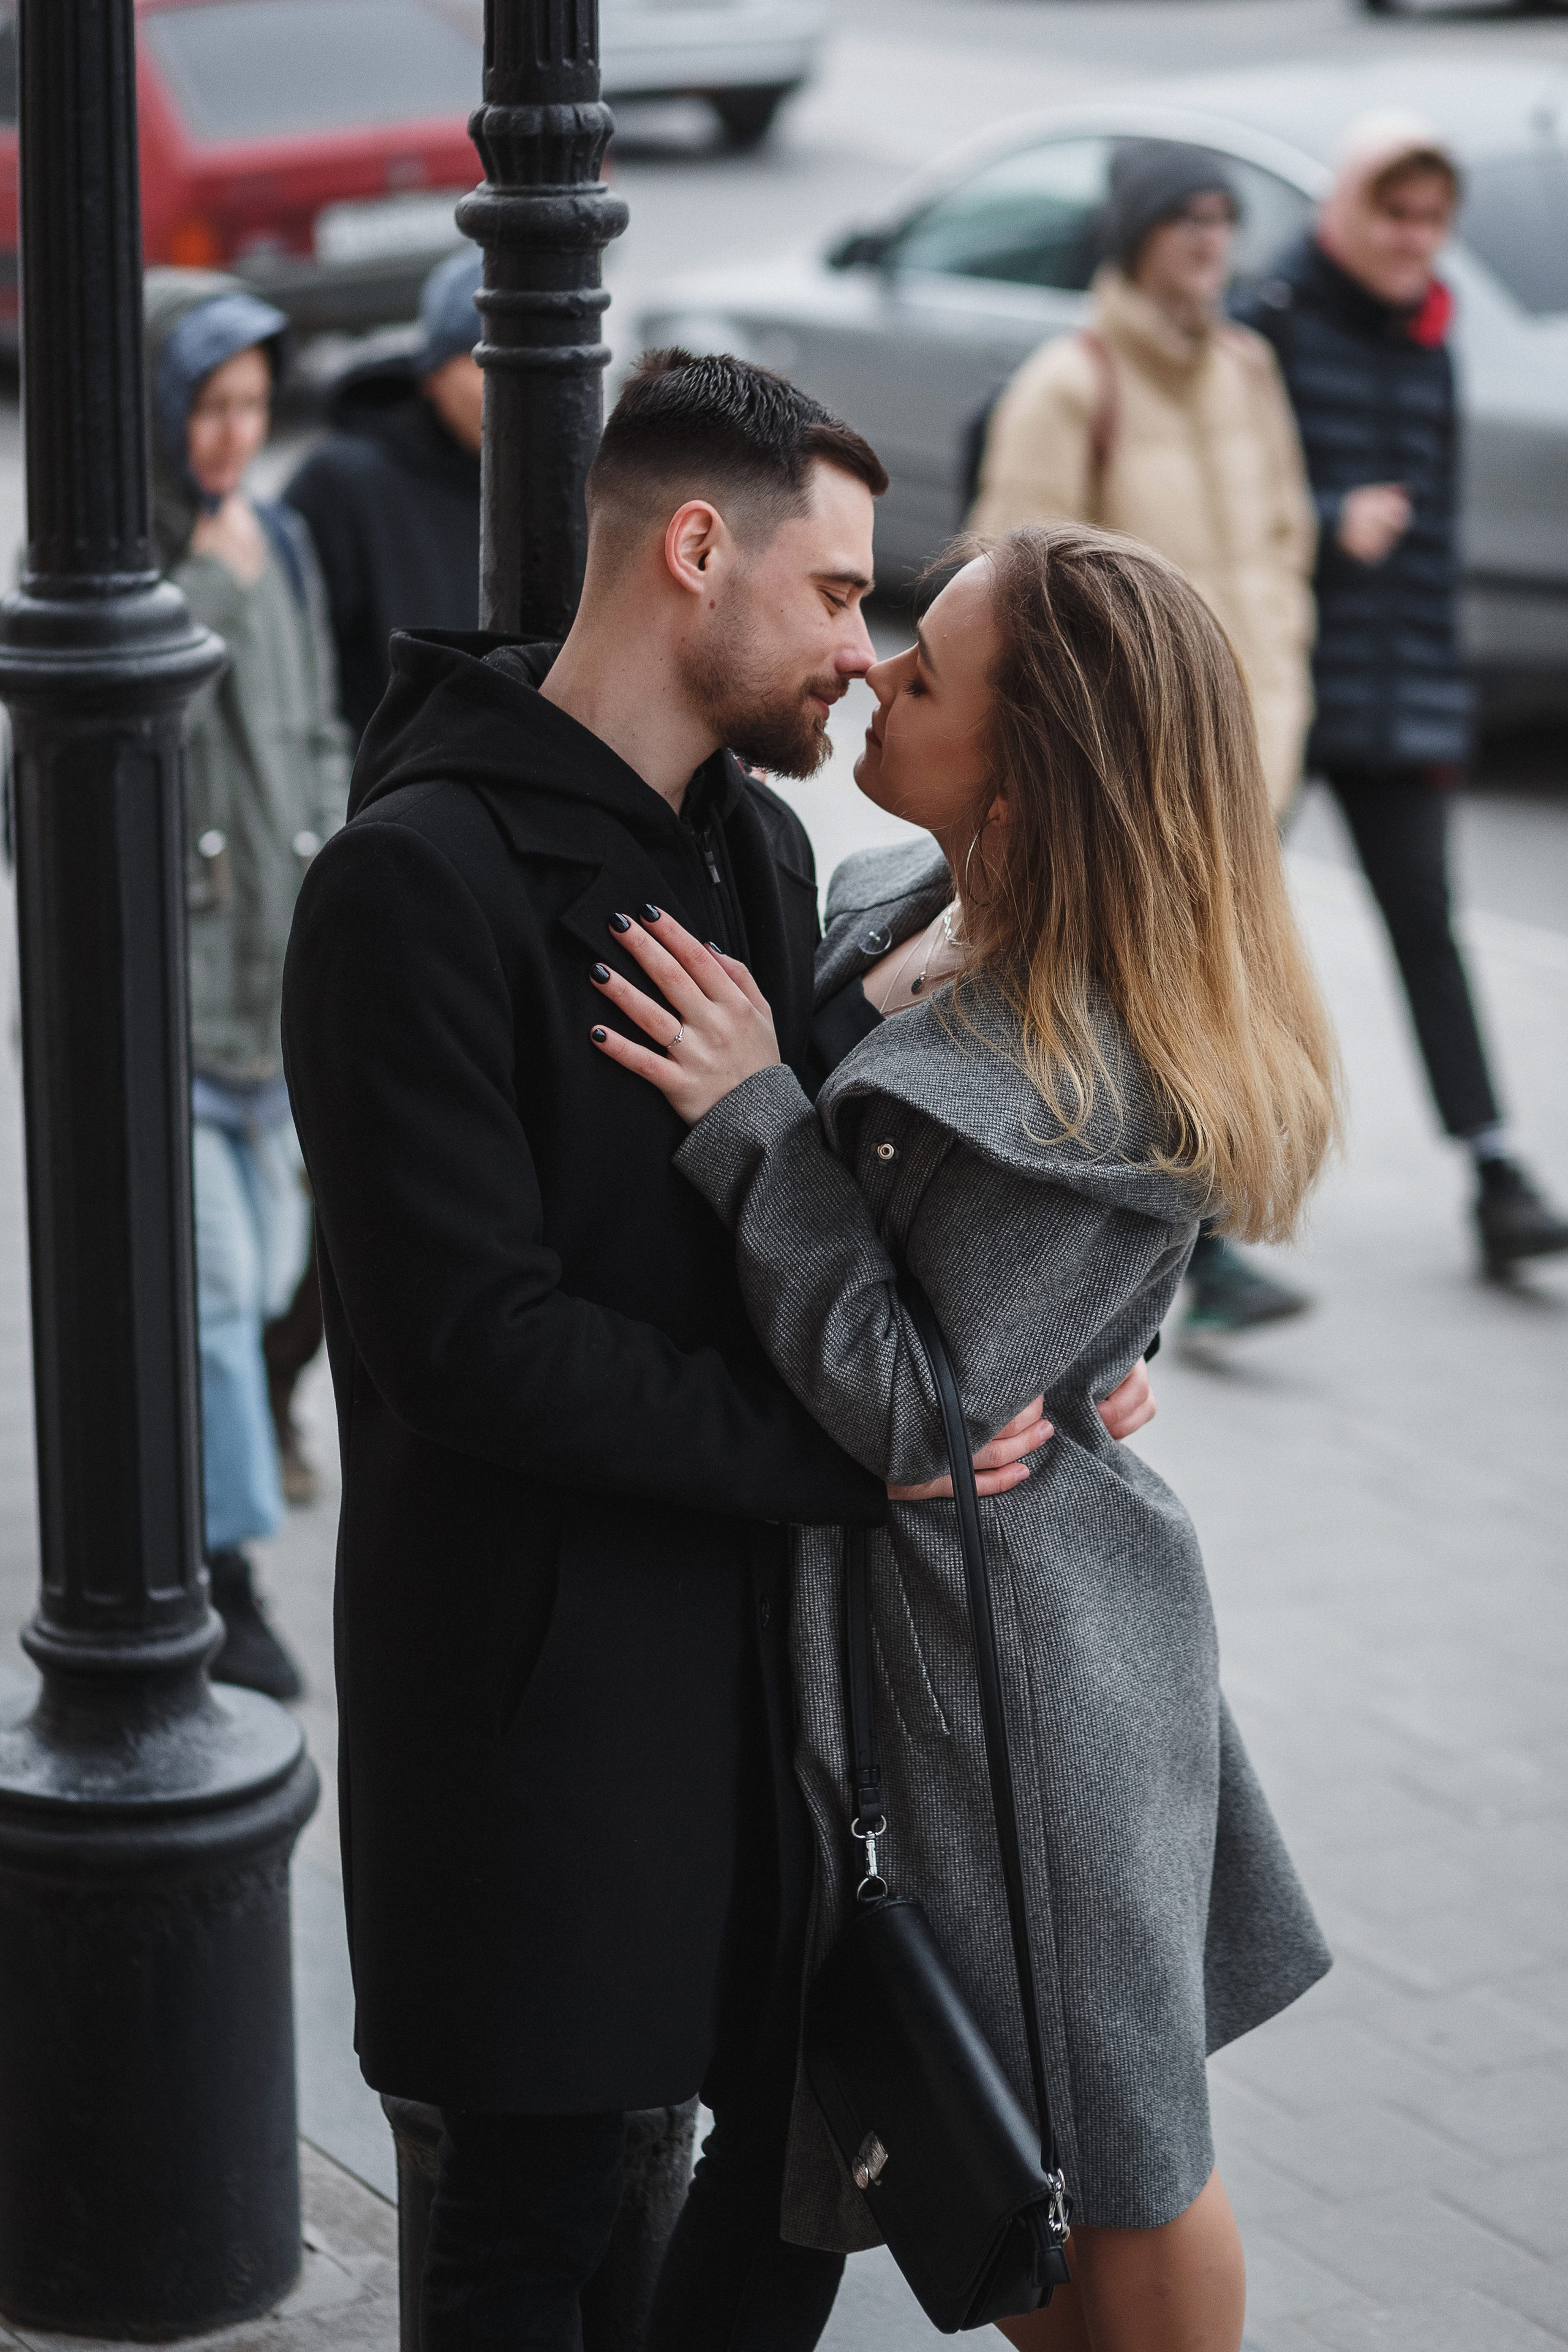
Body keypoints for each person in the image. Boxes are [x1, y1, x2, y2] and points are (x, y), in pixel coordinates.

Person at [281, 351, 1152, 2352]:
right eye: (842, 595)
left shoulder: (743, 853)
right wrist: (857, 1453)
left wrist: (1081, 1338)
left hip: (766, 1719)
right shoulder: (413, 885)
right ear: (698, 551)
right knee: (536, 2235)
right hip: (536, 1735)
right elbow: (467, 1349)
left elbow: (875, 1200)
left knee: (748, 2233)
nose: (865, 655)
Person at [591, 522, 1340, 2351]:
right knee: (980, 2161)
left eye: (926, 671)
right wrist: (1088, 1346)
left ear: (1032, 761)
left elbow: (901, 1393)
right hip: (919, 1641)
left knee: (1108, 2162)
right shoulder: (890, 898)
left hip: (1018, 1680)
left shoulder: (1090, 1068)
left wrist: (760, 1121)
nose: (874, 673)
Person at [971, 140, 1318, 1341]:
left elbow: (1284, 534)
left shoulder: (1246, 366)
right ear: (1134, 236)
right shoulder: (1069, 384)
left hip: (1259, 747)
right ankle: (1167, 1262)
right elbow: (1006, 588)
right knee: (1150, 1011)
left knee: (1216, 997)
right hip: (1132, 775)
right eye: (1185, 222)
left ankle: (1185, 1252)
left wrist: (1285, 677)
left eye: (1223, 220)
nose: (1210, 244)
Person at [1239, 113, 1568, 1281]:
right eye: (1393, 212)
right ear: (1343, 208)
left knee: (1429, 927)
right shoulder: (1265, 321)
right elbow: (1232, 497)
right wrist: (1331, 523)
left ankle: (1495, 1172)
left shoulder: (1432, 334)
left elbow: (1435, 534)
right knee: (1224, 932)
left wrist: (1443, 696)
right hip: (1275, 675)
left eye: (1433, 221)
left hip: (1392, 683)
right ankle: (1191, 1196)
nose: (1412, 239)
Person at [146, 268, 351, 1698]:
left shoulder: (276, 536)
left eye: (251, 404)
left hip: (279, 992)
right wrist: (207, 580)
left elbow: (321, 721)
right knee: (220, 1296)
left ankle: (184, 1492)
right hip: (170, 1012)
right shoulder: (132, 561)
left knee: (274, 1269)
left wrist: (336, 849)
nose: (232, 433)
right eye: (207, 404)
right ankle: (225, 1574)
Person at [283, 246, 483, 742]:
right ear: (433, 375)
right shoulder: (343, 482)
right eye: (482, 360)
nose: (508, 385)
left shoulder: (576, 481)